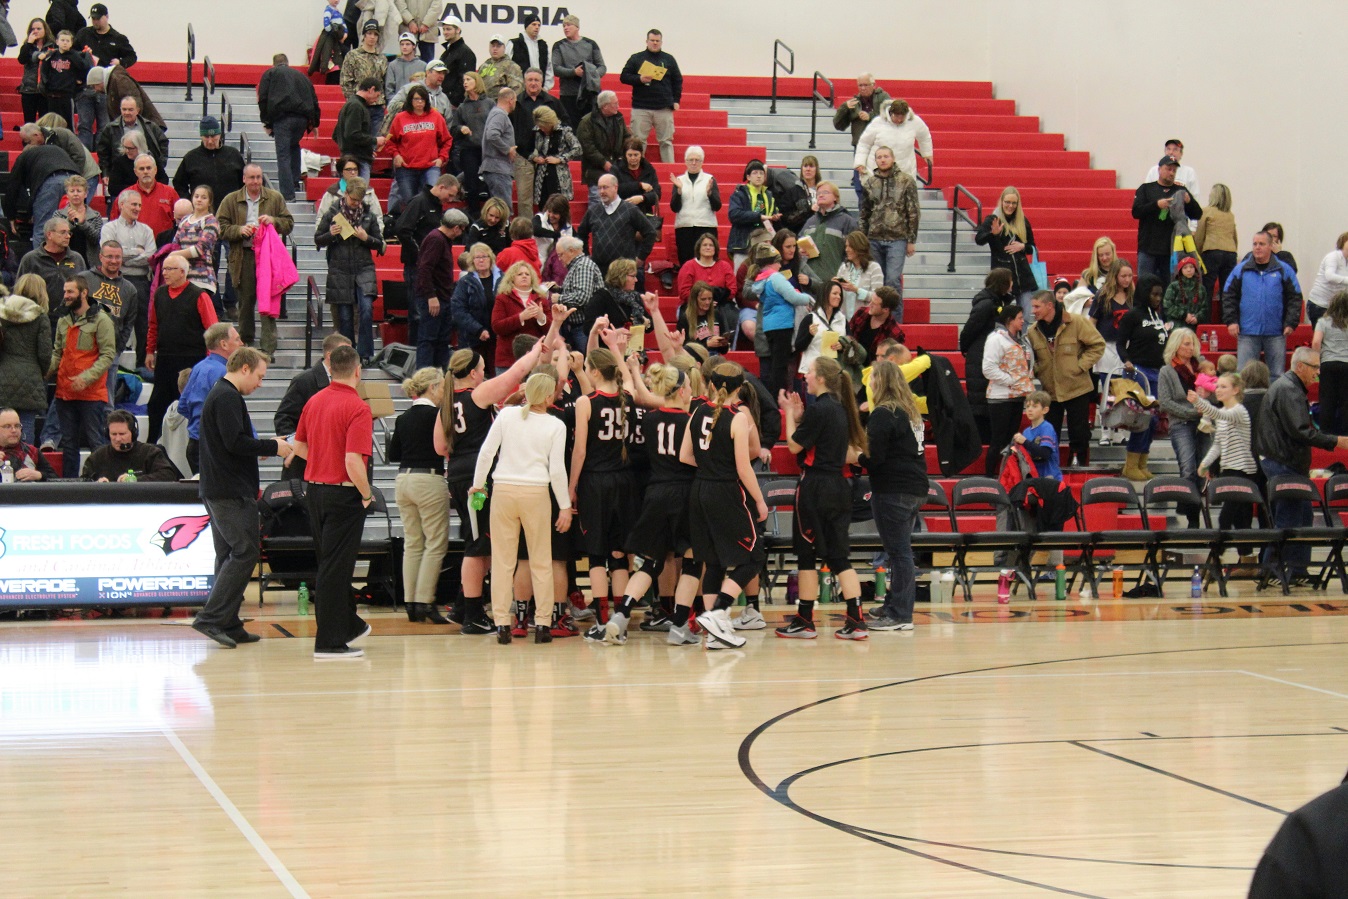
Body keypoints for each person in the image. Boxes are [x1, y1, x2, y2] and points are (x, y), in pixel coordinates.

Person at [436, 339, 552, 631]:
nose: (485, 374)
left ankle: (463, 608)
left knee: (481, 542)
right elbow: (516, 373)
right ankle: (472, 615)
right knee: (477, 547)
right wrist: (535, 351)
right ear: (473, 373)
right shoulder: (477, 394)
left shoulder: (448, 402)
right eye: (483, 369)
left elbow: (440, 447)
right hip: (477, 478)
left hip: (458, 473)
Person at [471, 366, 571, 645]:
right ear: (548, 397)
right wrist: (564, 505)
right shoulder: (556, 425)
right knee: (541, 561)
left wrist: (478, 484)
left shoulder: (506, 415)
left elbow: (486, 453)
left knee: (503, 562)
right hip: (536, 493)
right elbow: (557, 470)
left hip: (503, 490)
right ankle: (543, 624)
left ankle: (503, 624)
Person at [291, 345, 375, 660]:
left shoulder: (314, 401)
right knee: (336, 569)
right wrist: (366, 494)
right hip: (343, 494)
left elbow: (298, 446)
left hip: (315, 492)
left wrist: (323, 460)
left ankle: (348, 625)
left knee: (329, 563)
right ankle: (328, 642)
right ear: (357, 371)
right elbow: (353, 461)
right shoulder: (358, 407)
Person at [777, 356, 869, 639]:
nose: (805, 375)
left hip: (815, 487)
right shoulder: (841, 409)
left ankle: (805, 619)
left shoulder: (819, 409)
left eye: (810, 372)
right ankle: (856, 620)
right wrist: (802, 418)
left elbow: (794, 447)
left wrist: (790, 416)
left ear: (821, 378)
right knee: (839, 557)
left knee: (807, 555)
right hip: (840, 486)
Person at [1254, 347, 1348, 585]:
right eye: (1315, 367)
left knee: (1303, 517)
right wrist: (1336, 441)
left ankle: (1297, 571)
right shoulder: (1289, 390)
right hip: (1282, 462)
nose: (1318, 373)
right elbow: (1301, 431)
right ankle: (1270, 571)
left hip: (1287, 462)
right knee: (1288, 519)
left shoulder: (1290, 387)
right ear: (1300, 366)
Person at [388, 367, 452, 626]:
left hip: (403, 480)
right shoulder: (438, 415)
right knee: (435, 542)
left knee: (413, 542)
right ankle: (425, 601)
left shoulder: (403, 417)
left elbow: (393, 454)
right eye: (442, 387)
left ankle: (410, 603)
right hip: (429, 478)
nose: (444, 393)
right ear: (433, 387)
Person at [217, 163, 295, 360]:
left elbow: (289, 223)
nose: (256, 182)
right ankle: (245, 344)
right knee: (245, 302)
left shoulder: (275, 197)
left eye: (259, 177)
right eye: (251, 178)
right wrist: (239, 230)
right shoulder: (231, 199)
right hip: (243, 256)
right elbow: (219, 227)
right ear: (244, 179)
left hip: (268, 256)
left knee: (268, 300)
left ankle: (268, 348)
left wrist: (274, 221)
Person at [1027, 289, 1106, 468]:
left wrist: (1080, 366)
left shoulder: (1076, 322)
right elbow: (1033, 359)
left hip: (1077, 388)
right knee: (1049, 432)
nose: (1033, 311)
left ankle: (1080, 466)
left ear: (1049, 305)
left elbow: (1098, 344)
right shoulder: (1033, 331)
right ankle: (1050, 467)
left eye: (1037, 307)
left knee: (1079, 432)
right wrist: (1039, 371)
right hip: (1050, 391)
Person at [48, 274, 114, 476]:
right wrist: (46, 371)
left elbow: (107, 355)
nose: (66, 296)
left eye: (70, 291)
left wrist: (86, 378)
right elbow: (57, 352)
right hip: (65, 392)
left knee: (96, 442)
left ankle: (101, 481)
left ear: (84, 293)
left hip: (91, 394)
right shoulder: (63, 319)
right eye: (65, 291)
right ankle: (69, 486)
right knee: (68, 444)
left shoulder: (101, 319)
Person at [145, 255, 216, 442]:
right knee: (156, 404)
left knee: (189, 404)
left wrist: (210, 360)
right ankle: (154, 444)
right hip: (165, 358)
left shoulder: (199, 296)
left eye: (169, 269)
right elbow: (153, 325)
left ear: (183, 272)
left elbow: (212, 330)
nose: (165, 273)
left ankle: (191, 443)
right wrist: (149, 351)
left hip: (192, 359)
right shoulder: (160, 294)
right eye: (164, 269)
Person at [1191, 372, 1259, 560]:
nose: (1218, 390)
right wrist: (1205, 463)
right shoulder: (1223, 416)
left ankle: (1215, 558)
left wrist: (1199, 401)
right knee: (1240, 519)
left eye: (1223, 386)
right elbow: (1218, 445)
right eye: (1217, 386)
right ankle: (1248, 560)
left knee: (1225, 517)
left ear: (1236, 390)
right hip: (1228, 470)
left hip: (1242, 471)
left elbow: (1217, 413)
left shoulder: (1239, 411)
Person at [316, 176, 383, 364]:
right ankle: (350, 353)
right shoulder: (332, 213)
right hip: (340, 269)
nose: (355, 203)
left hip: (364, 267)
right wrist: (331, 234)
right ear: (345, 194)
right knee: (345, 316)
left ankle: (365, 354)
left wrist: (366, 238)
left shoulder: (369, 215)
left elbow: (379, 243)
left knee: (366, 309)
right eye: (353, 199)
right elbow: (318, 239)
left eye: (358, 200)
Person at [1223, 230, 1302, 377]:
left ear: (1271, 246)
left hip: (1276, 332)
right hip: (1247, 331)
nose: (1257, 247)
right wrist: (1231, 321)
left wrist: (1290, 322)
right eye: (1255, 244)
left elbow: (1295, 297)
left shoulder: (1284, 270)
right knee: (1244, 375)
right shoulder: (1240, 270)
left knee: (1276, 375)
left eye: (1261, 244)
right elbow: (1228, 295)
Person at [1116, 273, 1169, 480]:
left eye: (1160, 295)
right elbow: (1120, 343)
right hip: (1138, 372)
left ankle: (1142, 463)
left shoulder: (1159, 315)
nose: (1157, 299)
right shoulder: (1132, 316)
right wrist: (1127, 361)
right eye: (1154, 294)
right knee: (1142, 419)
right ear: (1145, 293)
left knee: (1154, 421)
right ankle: (1130, 465)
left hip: (1157, 372)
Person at [743, 244, 812, 395]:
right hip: (782, 324)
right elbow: (793, 297)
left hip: (769, 326)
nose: (780, 265)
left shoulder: (761, 280)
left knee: (775, 364)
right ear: (770, 263)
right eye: (778, 262)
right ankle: (779, 396)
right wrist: (809, 299)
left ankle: (775, 395)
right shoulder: (775, 278)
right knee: (780, 366)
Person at [176, 322, 241, 474]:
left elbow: (182, 406)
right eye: (237, 339)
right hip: (212, 449)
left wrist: (198, 422)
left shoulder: (198, 367)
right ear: (224, 344)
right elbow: (232, 415)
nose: (241, 343)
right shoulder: (225, 374)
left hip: (195, 445)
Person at [859, 145, 919, 307]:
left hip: (897, 238)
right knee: (877, 282)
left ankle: (895, 318)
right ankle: (878, 317)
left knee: (892, 280)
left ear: (893, 159)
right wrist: (863, 239)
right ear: (875, 160)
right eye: (879, 157)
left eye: (886, 156)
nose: (883, 160)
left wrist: (911, 240)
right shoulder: (870, 183)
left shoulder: (906, 181)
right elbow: (864, 213)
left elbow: (913, 211)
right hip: (874, 238)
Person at [257, 53, 321, 202]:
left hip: (282, 118)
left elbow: (263, 98)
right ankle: (295, 184)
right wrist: (314, 122)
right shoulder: (301, 76)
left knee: (283, 154)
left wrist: (267, 122)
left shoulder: (270, 74)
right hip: (301, 119)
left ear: (274, 64)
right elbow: (313, 99)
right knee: (294, 146)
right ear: (287, 62)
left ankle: (288, 195)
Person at [412, 206, 470, 369]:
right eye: (462, 229)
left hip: (441, 297)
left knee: (440, 340)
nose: (461, 233)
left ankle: (438, 375)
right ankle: (424, 377)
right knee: (429, 339)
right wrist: (431, 296)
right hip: (434, 298)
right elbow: (424, 269)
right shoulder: (436, 240)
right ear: (456, 228)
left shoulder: (439, 238)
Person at [961, 268, 1015, 442]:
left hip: (987, 354)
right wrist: (965, 348)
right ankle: (982, 439)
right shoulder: (986, 304)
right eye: (1010, 280)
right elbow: (969, 329)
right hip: (980, 355)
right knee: (980, 400)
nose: (1013, 284)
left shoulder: (998, 301)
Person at [1132, 155, 1202, 286]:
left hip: (1171, 250)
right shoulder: (1146, 189)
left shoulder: (1180, 190)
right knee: (1144, 286)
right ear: (1159, 169)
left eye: (1174, 170)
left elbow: (1197, 214)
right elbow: (1136, 212)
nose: (1172, 173)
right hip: (1148, 248)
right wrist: (1156, 205)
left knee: (1169, 287)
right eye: (1168, 169)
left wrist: (1189, 202)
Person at [982, 303, 1034, 476]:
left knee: (1011, 440)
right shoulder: (995, 339)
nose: (1023, 321)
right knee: (998, 440)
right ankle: (990, 477)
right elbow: (988, 368)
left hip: (1017, 396)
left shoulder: (1021, 339)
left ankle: (1008, 476)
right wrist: (1011, 381)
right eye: (1019, 318)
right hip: (1000, 397)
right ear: (1010, 320)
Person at [574, 173, 658, 279]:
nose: (602, 191)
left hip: (623, 272)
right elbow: (581, 233)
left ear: (615, 188)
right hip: (599, 271)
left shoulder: (630, 210)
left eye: (605, 187)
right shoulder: (593, 211)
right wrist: (586, 256)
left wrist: (641, 258)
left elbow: (650, 232)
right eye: (599, 188)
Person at [385, 84, 453, 214]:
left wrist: (441, 158)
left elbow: (447, 140)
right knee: (410, 203)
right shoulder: (400, 118)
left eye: (422, 99)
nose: (419, 102)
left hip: (430, 167)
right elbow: (390, 141)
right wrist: (396, 155)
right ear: (410, 100)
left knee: (433, 199)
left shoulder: (436, 116)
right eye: (416, 99)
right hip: (406, 168)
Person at [0, 284, 53, 446]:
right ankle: (25, 459)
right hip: (31, 378)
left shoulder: (2, 314)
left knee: (3, 424)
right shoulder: (41, 317)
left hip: (3, 377)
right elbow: (45, 353)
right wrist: (41, 372)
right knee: (26, 425)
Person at [619, 29, 681, 164]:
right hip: (641, 107)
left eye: (657, 41)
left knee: (666, 141)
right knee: (638, 142)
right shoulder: (636, 58)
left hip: (664, 107)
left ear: (661, 42)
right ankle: (636, 169)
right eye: (652, 40)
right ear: (646, 41)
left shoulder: (669, 59)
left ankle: (670, 169)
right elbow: (624, 77)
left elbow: (677, 80)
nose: (655, 43)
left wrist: (676, 100)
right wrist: (639, 79)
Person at [8, 123, 81, 233]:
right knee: (71, 227)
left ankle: (41, 245)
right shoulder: (56, 149)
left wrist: (11, 217)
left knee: (43, 228)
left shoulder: (25, 155)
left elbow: (13, 186)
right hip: (74, 180)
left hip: (51, 182)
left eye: (27, 142)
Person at [511, 67, 564, 218]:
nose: (533, 83)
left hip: (548, 157)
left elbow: (565, 125)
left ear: (542, 82)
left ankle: (547, 226)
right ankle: (526, 228)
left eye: (536, 80)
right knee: (524, 199)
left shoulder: (552, 102)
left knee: (549, 197)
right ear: (524, 82)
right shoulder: (516, 103)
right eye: (530, 80)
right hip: (523, 156)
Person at [975, 186, 1038, 312]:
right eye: (1007, 202)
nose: (1010, 206)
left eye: (1014, 203)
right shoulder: (993, 219)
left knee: (1025, 316)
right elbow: (979, 239)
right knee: (1001, 314)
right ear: (1001, 202)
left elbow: (1032, 248)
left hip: (1022, 275)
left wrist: (1023, 246)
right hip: (1002, 276)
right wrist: (992, 234)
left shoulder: (1022, 221)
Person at [17, 217, 85, 325]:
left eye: (69, 233)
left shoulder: (77, 259)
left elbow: (84, 290)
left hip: (70, 320)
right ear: (49, 235)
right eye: (63, 232)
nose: (68, 236)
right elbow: (19, 292)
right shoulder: (31, 259)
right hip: (39, 320)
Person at [79, 409, 178, 482]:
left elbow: (168, 475)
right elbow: (83, 481)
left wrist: (136, 480)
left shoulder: (150, 453)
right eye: (113, 434)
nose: (118, 439)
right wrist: (96, 484)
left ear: (133, 433)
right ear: (107, 434)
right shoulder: (96, 458)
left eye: (122, 434)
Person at [853, 98, 933, 186]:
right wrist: (860, 162)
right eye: (896, 117)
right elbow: (864, 143)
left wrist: (927, 153)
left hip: (905, 170)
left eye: (902, 117)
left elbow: (925, 137)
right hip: (877, 171)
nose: (899, 120)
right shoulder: (878, 122)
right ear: (891, 113)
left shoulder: (915, 122)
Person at [490, 261, 551, 371]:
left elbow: (551, 330)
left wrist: (541, 317)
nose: (524, 276)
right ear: (512, 278)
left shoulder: (541, 299)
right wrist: (520, 317)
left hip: (535, 359)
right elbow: (497, 326)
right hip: (508, 359)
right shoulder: (502, 298)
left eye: (527, 274)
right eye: (519, 274)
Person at [95, 95, 167, 186]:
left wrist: (160, 163)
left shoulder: (150, 126)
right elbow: (103, 153)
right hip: (121, 176)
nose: (127, 112)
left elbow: (163, 142)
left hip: (146, 174)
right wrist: (105, 173)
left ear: (137, 110)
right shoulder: (110, 128)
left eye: (130, 109)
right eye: (124, 109)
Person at [576, 90, 631, 210]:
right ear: (605, 106)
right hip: (595, 171)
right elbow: (587, 147)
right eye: (615, 103)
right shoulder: (587, 122)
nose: (618, 106)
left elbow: (626, 138)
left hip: (617, 168)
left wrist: (627, 154)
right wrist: (603, 162)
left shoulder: (619, 118)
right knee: (597, 207)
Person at [799, 182, 858, 291]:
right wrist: (800, 251)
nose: (821, 195)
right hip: (810, 284)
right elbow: (798, 244)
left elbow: (856, 252)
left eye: (825, 192)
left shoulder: (847, 221)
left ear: (836, 197)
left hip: (834, 283)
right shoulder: (810, 221)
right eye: (818, 193)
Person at [668, 145, 720, 266]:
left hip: (706, 226)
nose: (694, 163)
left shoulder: (709, 179)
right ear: (685, 161)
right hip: (684, 227)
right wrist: (679, 191)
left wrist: (710, 194)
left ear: (702, 162)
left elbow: (717, 206)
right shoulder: (679, 180)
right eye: (690, 160)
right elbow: (674, 208)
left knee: (706, 261)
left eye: (697, 160)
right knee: (686, 262)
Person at [451, 242, 502, 363]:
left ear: (491, 259)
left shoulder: (503, 280)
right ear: (472, 261)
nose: (481, 260)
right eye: (477, 257)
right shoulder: (465, 282)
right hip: (472, 339)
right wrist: (478, 330)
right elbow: (458, 311)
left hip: (498, 338)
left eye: (484, 256)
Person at [551, 13, 604, 128]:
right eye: (564, 26)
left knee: (589, 128)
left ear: (577, 27)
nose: (565, 28)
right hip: (568, 95)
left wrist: (590, 75)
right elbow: (555, 68)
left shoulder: (590, 44)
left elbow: (602, 67)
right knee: (570, 128)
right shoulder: (559, 45)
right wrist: (574, 72)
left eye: (568, 25)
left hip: (589, 94)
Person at [793, 279, 848, 389]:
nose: (838, 297)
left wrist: (841, 346)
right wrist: (809, 334)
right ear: (825, 295)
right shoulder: (810, 318)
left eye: (840, 294)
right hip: (814, 372)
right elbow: (798, 346)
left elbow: (849, 341)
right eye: (835, 293)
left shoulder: (842, 319)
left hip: (834, 372)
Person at [450, 72, 492, 209]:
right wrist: (461, 128)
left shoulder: (489, 103)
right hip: (469, 149)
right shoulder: (462, 107)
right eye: (464, 80)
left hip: (488, 148)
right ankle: (474, 213)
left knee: (491, 182)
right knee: (471, 184)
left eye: (468, 79)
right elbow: (453, 129)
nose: (465, 83)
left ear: (477, 81)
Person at [727, 160, 779, 269]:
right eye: (755, 173)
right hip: (743, 245)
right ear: (748, 177)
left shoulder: (769, 195)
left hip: (764, 244)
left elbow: (772, 212)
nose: (759, 176)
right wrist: (759, 217)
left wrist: (775, 216)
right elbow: (734, 214)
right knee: (742, 275)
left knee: (763, 275)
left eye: (761, 173)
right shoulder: (740, 194)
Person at [1088, 259, 1134, 376]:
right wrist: (1095, 343)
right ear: (1115, 276)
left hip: (1128, 346)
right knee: (1108, 383)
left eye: (1130, 276)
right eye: (1123, 276)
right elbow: (1092, 322)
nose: (1127, 279)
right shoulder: (1102, 295)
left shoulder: (1132, 295)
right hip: (1107, 347)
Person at [340, 21, 388, 134]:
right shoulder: (352, 55)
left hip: (377, 106)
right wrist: (352, 100)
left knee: (375, 140)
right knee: (358, 137)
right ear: (364, 35)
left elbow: (385, 81)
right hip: (359, 104)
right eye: (369, 33)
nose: (372, 37)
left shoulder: (382, 58)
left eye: (375, 34)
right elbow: (345, 80)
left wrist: (384, 101)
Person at [37, 28, 90, 128]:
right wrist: (46, 84)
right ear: (57, 42)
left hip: (67, 95)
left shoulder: (75, 56)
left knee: (67, 123)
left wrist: (80, 81)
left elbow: (84, 67)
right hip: (52, 95)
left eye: (68, 41)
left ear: (71, 43)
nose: (65, 43)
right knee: (51, 122)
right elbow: (44, 70)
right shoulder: (51, 55)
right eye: (62, 40)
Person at [1312, 289, 1348, 436]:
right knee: (1346, 400)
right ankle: (1346, 434)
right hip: (1347, 364)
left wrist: (1317, 361)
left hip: (1328, 364)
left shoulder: (1323, 322)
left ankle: (1325, 433)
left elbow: (1316, 342)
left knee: (1327, 399)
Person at [1194, 183, 1237, 306]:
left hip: (1212, 251)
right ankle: (1226, 317)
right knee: (1227, 291)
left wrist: (1198, 254)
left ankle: (1206, 317)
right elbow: (1234, 237)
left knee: (1207, 289)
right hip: (1230, 252)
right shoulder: (1230, 215)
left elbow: (1199, 236)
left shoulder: (1206, 211)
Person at [529, 106, 581, 205]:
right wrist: (535, 158)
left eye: (544, 127)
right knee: (543, 204)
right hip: (541, 174)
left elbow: (578, 149)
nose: (542, 129)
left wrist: (560, 159)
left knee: (559, 205)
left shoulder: (564, 131)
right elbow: (527, 150)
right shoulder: (536, 131)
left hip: (559, 175)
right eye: (540, 127)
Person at [333, 77, 382, 180]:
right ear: (371, 89)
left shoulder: (351, 104)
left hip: (350, 159)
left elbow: (336, 135)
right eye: (377, 95)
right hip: (358, 161)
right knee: (359, 189)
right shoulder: (357, 106)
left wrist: (366, 149)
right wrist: (374, 140)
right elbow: (352, 134)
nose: (376, 100)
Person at [848, 284, 906, 365]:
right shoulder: (861, 313)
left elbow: (893, 363)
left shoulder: (895, 334)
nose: (869, 305)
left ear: (885, 309)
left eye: (874, 304)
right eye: (871, 301)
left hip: (875, 370)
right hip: (852, 364)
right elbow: (848, 335)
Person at [834, 74, 890, 155]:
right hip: (860, 146)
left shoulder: (883, 97)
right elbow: (838, 125)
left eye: (866, 85)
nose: (863, 88)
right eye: (860, 85)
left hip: (880, 145)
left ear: (873, 85)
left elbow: (890, 116)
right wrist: (844, 108)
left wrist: (870, 116)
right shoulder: (853, 103)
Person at [479, 86, 517, 204]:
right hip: (498, 170)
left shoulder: (495, 113)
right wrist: (507, 149)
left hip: (496, 169)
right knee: (503, 208)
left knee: (498, 207)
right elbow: (492, 135)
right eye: (515, 101)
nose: (515, 103)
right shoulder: (500, 115)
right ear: (510, 100)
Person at [836, 230, 885, 320]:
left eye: (850, 246)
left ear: (859, 247)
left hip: (865, 320)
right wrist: (834, 286)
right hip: (844, 320)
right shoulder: (844, 267)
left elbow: (878, 298)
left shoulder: (874, 268)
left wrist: (856, 290)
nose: (846, 250)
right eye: (846, 246)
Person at [0, 407, 59, 481]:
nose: (14, 430)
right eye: (7, 426)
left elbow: (55, 479)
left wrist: (39, 475)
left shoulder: (32, 451)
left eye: (17, 426)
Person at [1307, 233, 1348, 328]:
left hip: (1336, 307)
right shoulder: (1333, 257)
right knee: (1322, 334)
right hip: (1319, 304)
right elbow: (1330, 276)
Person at [1143, 139, 1200, 207]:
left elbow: (1195, 197)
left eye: (1175, 149)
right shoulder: (1154, 170)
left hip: (1181, 211)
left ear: (1181, 154)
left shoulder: (1189, 172)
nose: (1171, 152)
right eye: (1168, 149)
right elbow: (1146, 194)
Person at [18, 19, 54, 125]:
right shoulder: (27, 46)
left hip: (45, 90)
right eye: (33, 29)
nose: (35, 31)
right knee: (29, 122)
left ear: (45, 30)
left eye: (39, 28)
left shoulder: (52, 46)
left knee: (45, 123)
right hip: (29, 89)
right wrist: (29, 43)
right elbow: (22, 59)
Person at [436, 13, 475, 108]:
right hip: (444, 100)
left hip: (454, 104)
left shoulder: (465, 52)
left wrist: (455, 102)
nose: (445, 32)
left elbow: (464, 80)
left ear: (458, 30)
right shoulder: (447, 52)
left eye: (448, 29)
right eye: (444, 29)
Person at [615, 137, 660, 215]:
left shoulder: (649, 169)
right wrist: (639, 185)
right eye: (630, 155)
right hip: (621, 213)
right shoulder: (617, 169)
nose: (633, 158)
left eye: (636, 155)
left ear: (641, 154)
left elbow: (657, 194)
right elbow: (615, 189)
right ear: (625, 155)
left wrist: (642, 198)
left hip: (644, 214)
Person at [509, 15, 551, 91]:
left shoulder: (543, 45)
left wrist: (546, 88)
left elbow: (549, 68)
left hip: (540, 90)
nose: (537, 27)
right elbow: (506, 67)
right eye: (534, 24)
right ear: (527, 26)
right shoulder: (514, 44)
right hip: (519, 90)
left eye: (539, 25)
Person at [1163, 256, 1206, 329]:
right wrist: (1184, 315)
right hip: (1176, 325)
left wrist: (1197, 317)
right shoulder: (1173, 286)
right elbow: (1167, 306)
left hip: (1195, 325)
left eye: (1191, 267)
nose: (1189, 270)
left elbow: (1205, 308)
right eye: (1185, 268)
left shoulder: (1201, 288)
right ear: (1181, 270)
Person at [385, 32, 426, 98]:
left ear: (414, 46)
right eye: (402, 44)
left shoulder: (423, 65)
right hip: (398, 102)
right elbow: (389, 88)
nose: (404, 47)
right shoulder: (393, 65)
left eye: (407, 44)